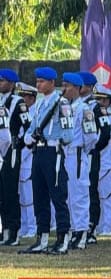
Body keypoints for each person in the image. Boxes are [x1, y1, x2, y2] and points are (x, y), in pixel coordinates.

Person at [19, 68, 74, 255]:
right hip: (39, 152)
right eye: (37, 81)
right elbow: (33, 127)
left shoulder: (62, 103)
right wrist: (28, 137)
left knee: (58, 196)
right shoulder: (42, 105)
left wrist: (57, 139)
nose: (38, 84)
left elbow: (68, 134)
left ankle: (63, 238)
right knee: (39, 196)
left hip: (53, 152)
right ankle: (42, 238)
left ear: (52, 83)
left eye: (42, 81)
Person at [62, 73, 95, 251]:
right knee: (66, 195)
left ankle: (81, 233)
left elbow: (91, 136)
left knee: (79, 195)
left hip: (76, 154)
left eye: (67, 85)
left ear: (77, 87)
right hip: (64, 155)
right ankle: (71, 229)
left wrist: (81, 150)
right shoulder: (63, 107)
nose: (63, 88)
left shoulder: (85, 109)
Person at [87, 84, 111, 244]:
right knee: (94, 195)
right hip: (94, 161)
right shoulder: (93, 114)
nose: (98, 102)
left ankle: (109, 226)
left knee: (107, 195)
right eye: (96, 98)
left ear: (108, 101)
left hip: (106, 161)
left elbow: (108, 138)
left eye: (101, 99)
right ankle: (98, 225)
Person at [0, 69, 26, 245]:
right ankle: (4, 230)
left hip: (11, 149)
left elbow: (28, 124)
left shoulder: (18, 102)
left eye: (2, 81)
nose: (0, 84)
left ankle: (14, 230)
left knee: (10, 190)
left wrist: (20, 142)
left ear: (11, 83)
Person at [16, 82, 38, 240]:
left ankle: (32, 226)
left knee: (30, 198)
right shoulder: (23, 113)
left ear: (31, 98)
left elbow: (31, 139)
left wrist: (22, 154)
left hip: (29, 159)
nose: (22, 99)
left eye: (24, 96)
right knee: (22, 196)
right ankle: (24, 226)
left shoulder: (34, 114)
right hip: (21, 160)